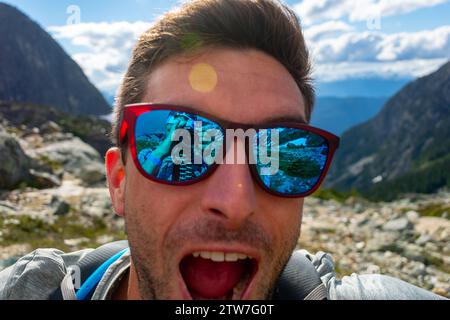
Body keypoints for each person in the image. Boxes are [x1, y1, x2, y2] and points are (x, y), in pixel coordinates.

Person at [0, 0, 445, 300]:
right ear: (119, 181)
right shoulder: (30, 289)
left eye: (282, 153)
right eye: (181, 145)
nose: (235, 202)